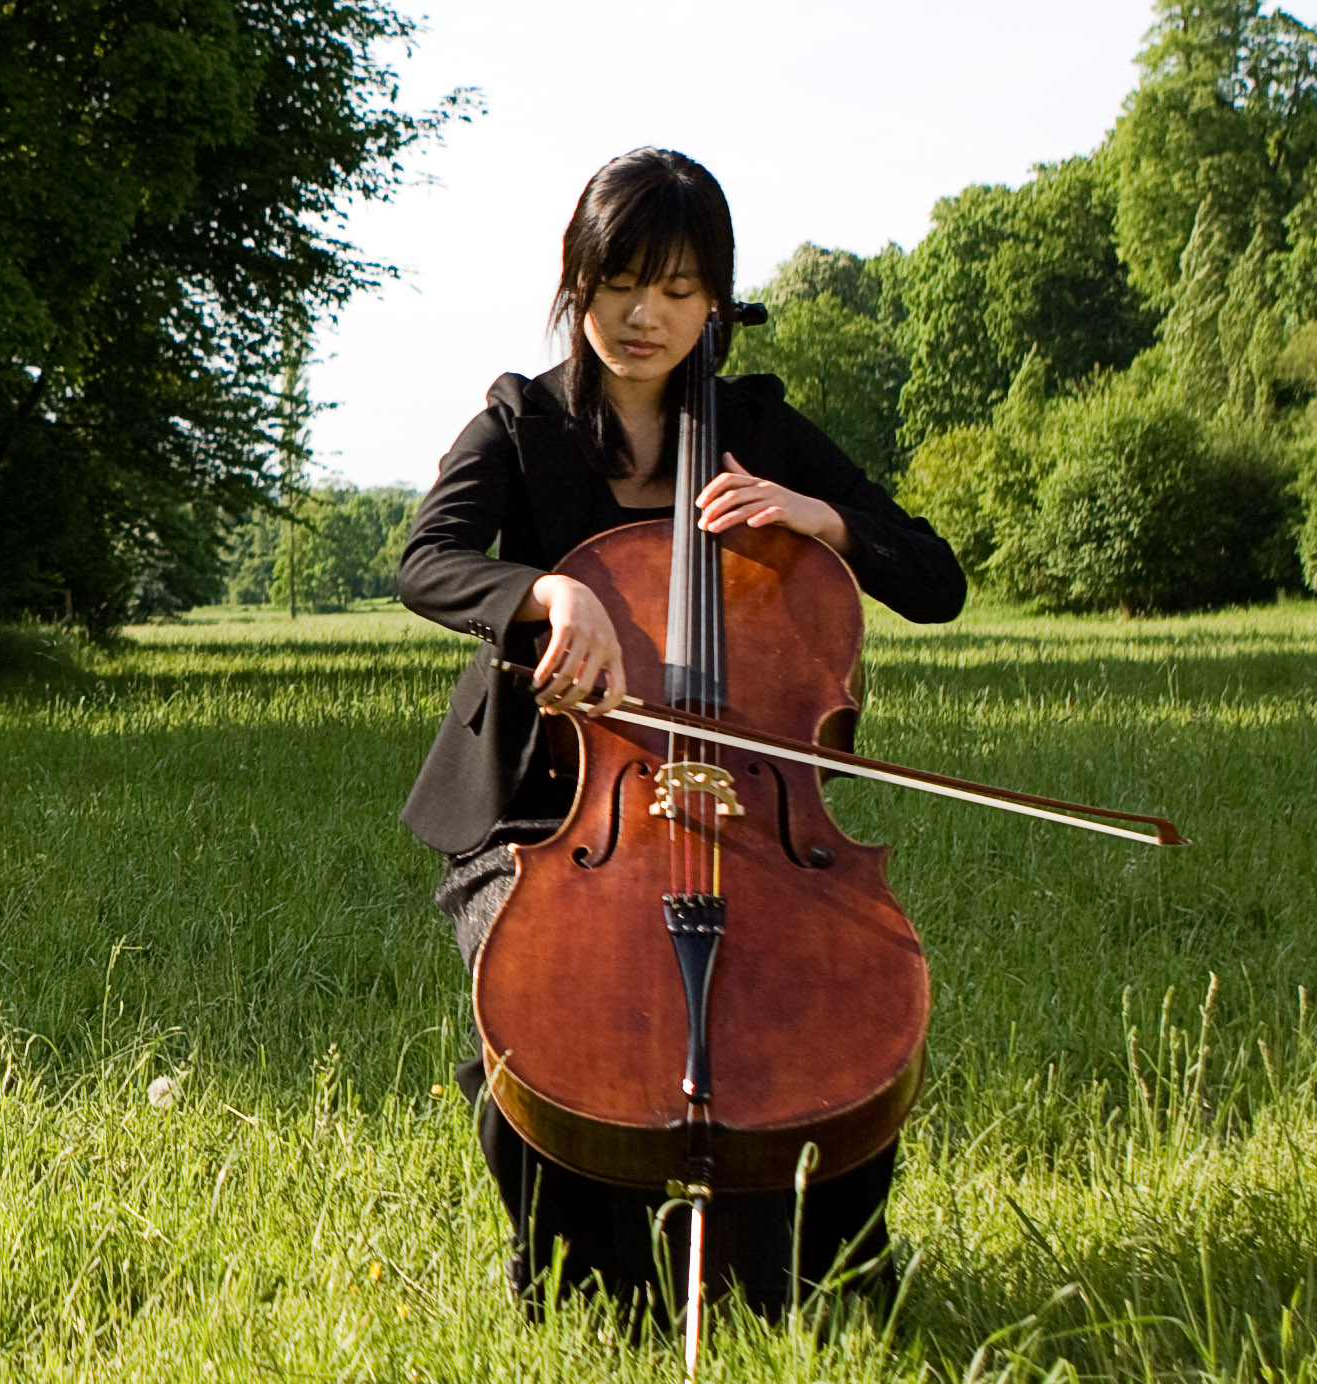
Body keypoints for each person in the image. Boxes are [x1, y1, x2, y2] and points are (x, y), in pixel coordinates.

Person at [392, 148, 967, 1322]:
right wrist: (546, 590)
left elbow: (936, 578)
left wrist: (823, 519)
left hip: (744, 806)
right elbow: (427, 560)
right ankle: (576, 1283)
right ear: (577, 283)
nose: (641, 315)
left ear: (717, 301)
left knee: (815, 1010)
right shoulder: (521, 418)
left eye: (675, 288)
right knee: (550, 1021)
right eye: (616, 284)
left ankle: (814, 1277)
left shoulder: (755, 426)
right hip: (550, 809)